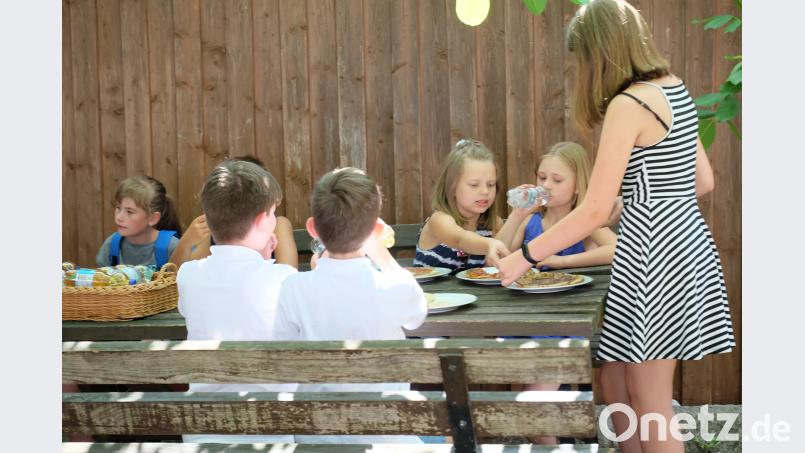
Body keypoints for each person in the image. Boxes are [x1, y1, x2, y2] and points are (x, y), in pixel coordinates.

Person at [492, 1, 735, 452]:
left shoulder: (628, 103)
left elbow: (595, 211)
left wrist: (526, 257)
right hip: (685, 244)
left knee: (650, 401)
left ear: (598, 53)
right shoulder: (672, 87)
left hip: (652, 258)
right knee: (620, 388)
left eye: (581, 59)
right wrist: (641, 202)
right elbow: (702, 180)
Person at [273, 167, 428, 444]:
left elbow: (283, 359)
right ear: (377, 231)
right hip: (389, 440)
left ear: (312, 228)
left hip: (315, 441)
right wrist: (384, 256)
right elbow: (417, 316)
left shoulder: (293, 288)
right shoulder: (395, 285)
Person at [177, 158, 297, 443]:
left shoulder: (189, 275)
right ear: (260, 221)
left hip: (202, 435)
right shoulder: (284, 280)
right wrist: (266, 262)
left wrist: (262, 260)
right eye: (272, 214)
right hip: (271, 434)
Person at [412, 138, 520, 273]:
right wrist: (489, 243)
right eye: (474, 185)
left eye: (491, 184)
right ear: (452, 187)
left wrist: (518, 214)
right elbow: (460, 240)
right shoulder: (439, 220)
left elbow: (493, 264)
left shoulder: (492, 224)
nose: (485, 191)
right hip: (432, 294)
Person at [172, 155, 299, 268]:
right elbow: (174, 278)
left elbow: (288, 271)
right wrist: (185, 243)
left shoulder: (278, 225)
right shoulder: (218, 230)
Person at [507, 141, 616, 270]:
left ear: (578, 186)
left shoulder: (586, 221)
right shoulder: (528, 221)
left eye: (557, 180)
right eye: (542, 177)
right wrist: (515, 216)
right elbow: (495, 259)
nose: (546, 185)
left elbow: (617, 250)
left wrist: (563, 261)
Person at [96, 175, 182, 269]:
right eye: (118, 208)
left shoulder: (172, 248)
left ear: (152, 218)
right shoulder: (112, 244)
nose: (119, 217)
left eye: (130, 212)